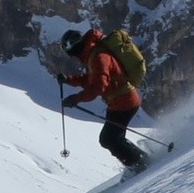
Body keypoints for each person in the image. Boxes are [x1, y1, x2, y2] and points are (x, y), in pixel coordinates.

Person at [60, 28, 148, 172]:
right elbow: (92, 79)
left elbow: (98, 86)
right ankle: (140, 162)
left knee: (108, 139)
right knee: (114, 139)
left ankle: (141, 166)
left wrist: (76, 99)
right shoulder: (92, 54)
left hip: (124, 102)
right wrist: (69, 79)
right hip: (119, 102)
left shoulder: (98, 57)